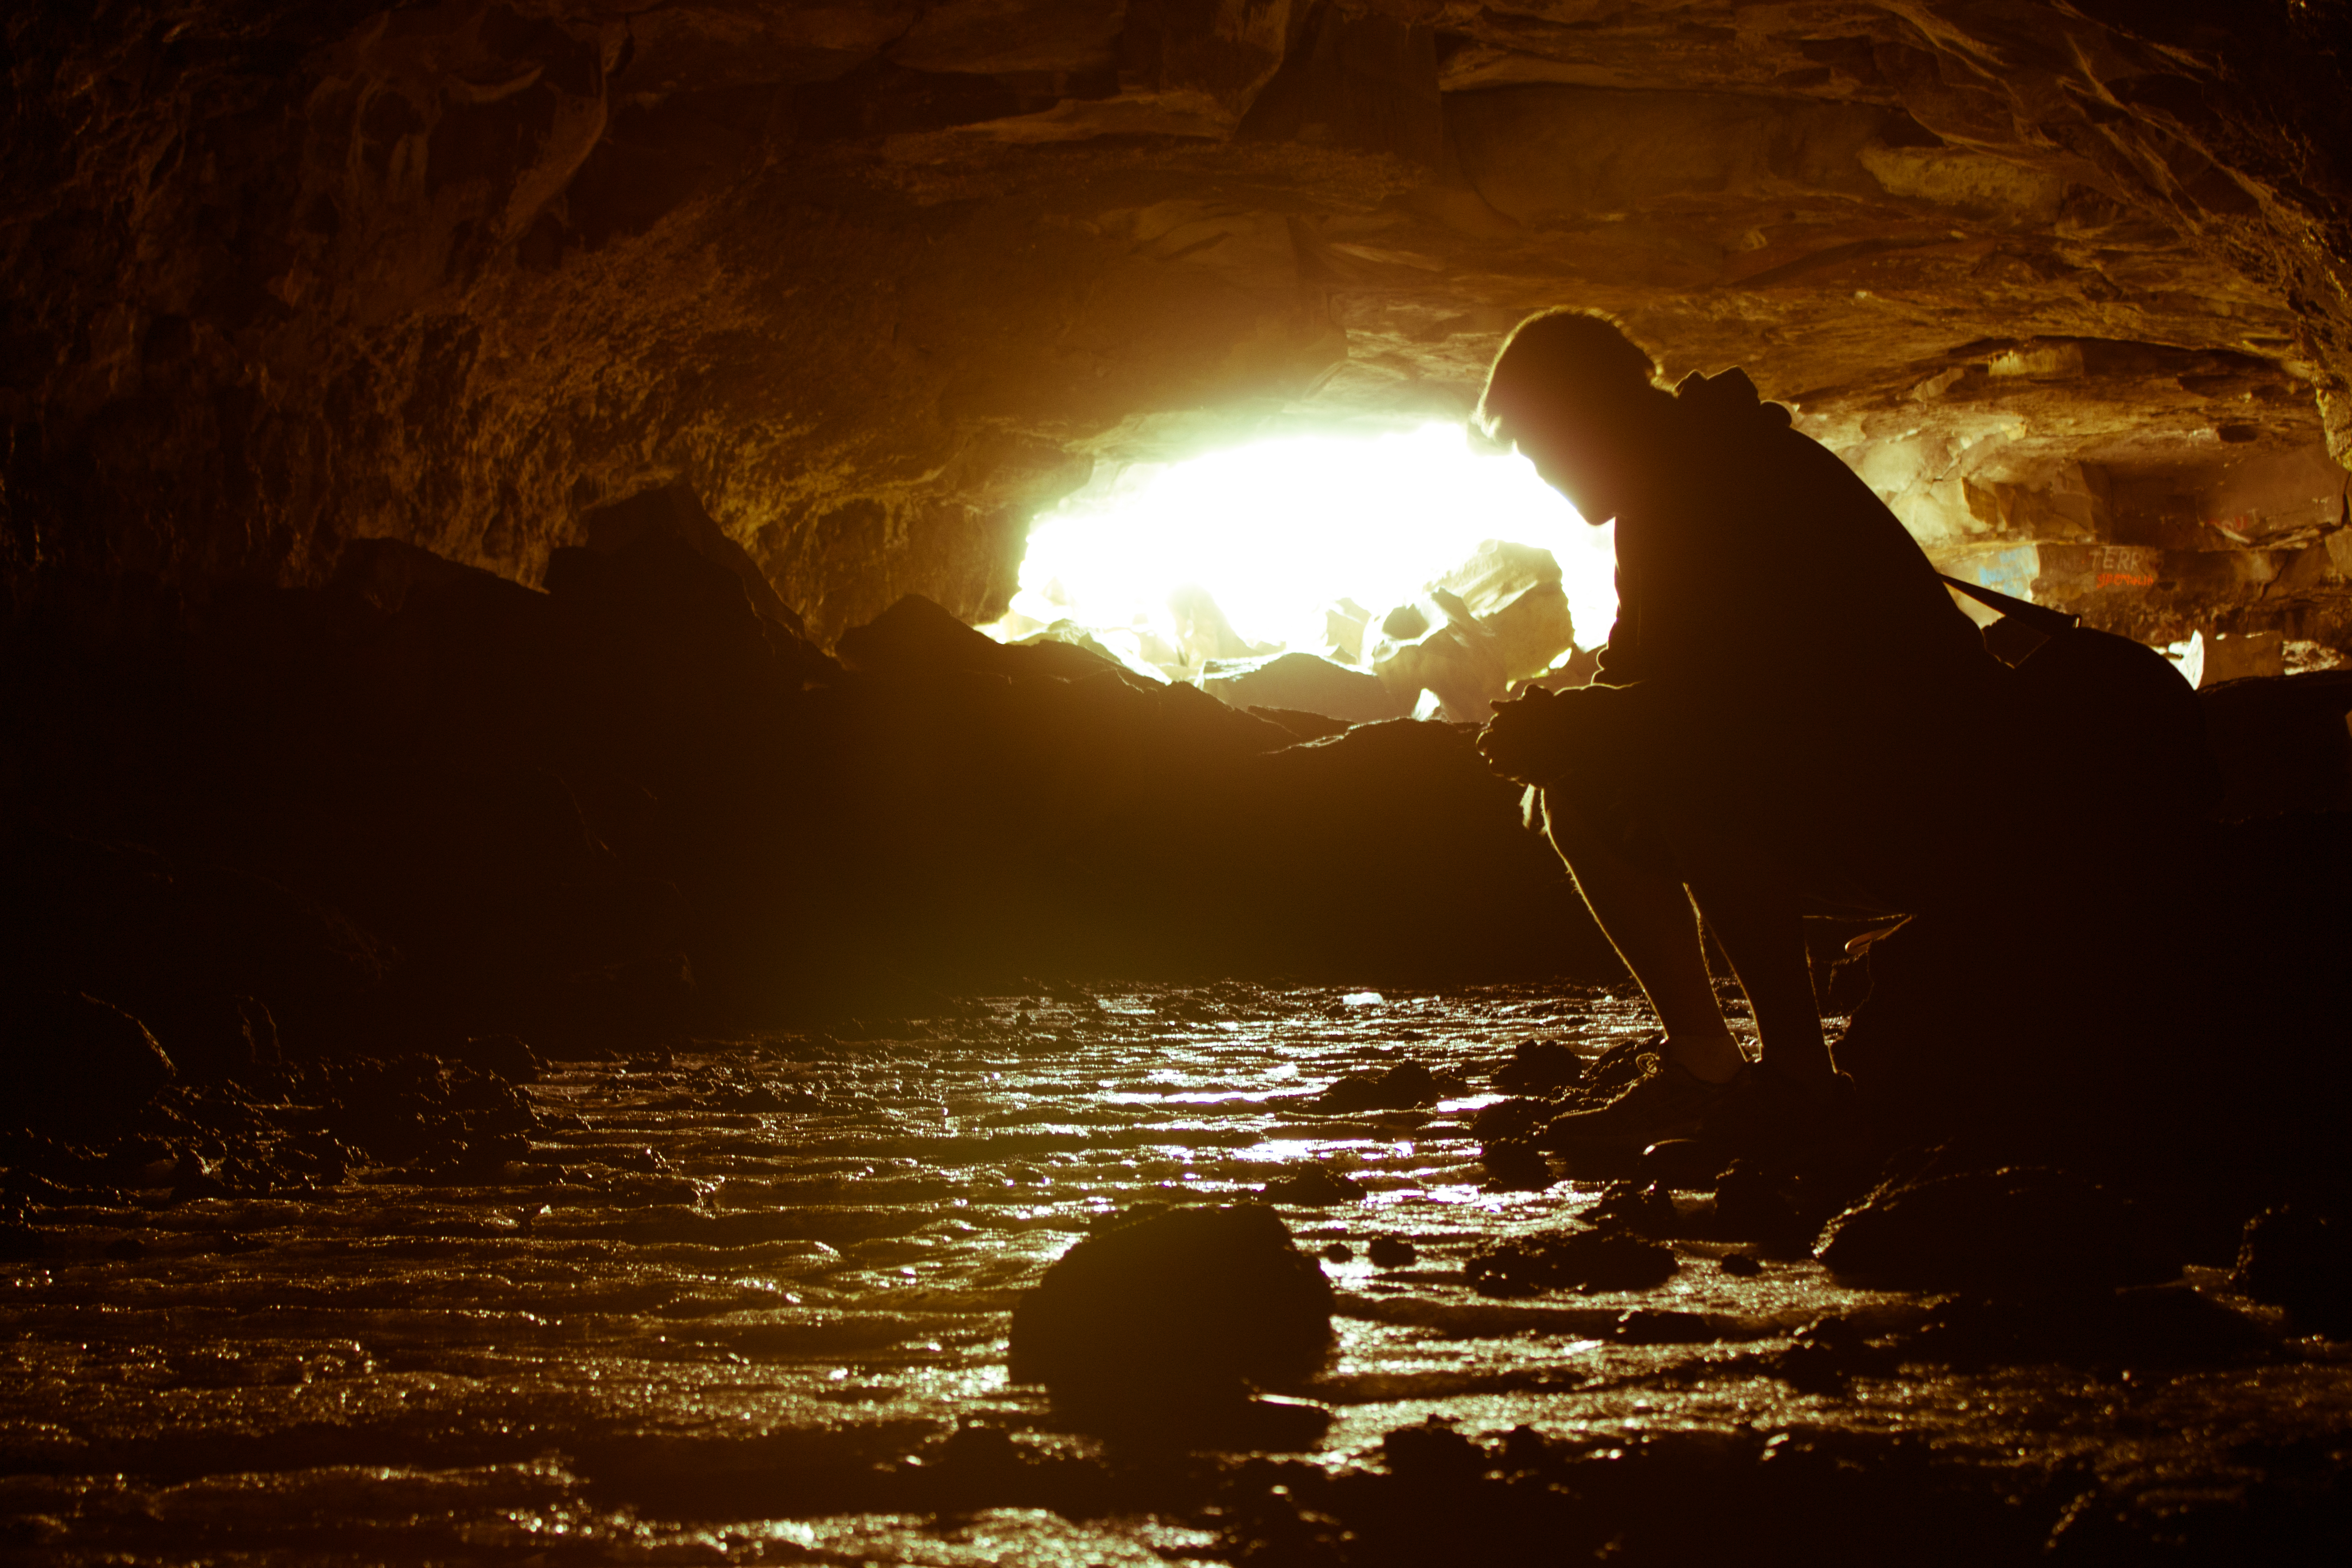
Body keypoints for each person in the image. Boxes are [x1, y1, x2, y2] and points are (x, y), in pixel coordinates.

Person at [1473, 309, 2018, 1152]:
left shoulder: (1727, 477)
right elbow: (1647, 675)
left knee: (1691, 768)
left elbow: (1730, 698)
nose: (1545, 475)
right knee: (1579, 784)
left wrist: (1586, 721)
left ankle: (1801, 1080)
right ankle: (1706, 1066)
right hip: (1846, 775)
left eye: (1543, 451)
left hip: (1938, 794)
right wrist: (1560, 727)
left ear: (1584, 416)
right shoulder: (1668, 484)